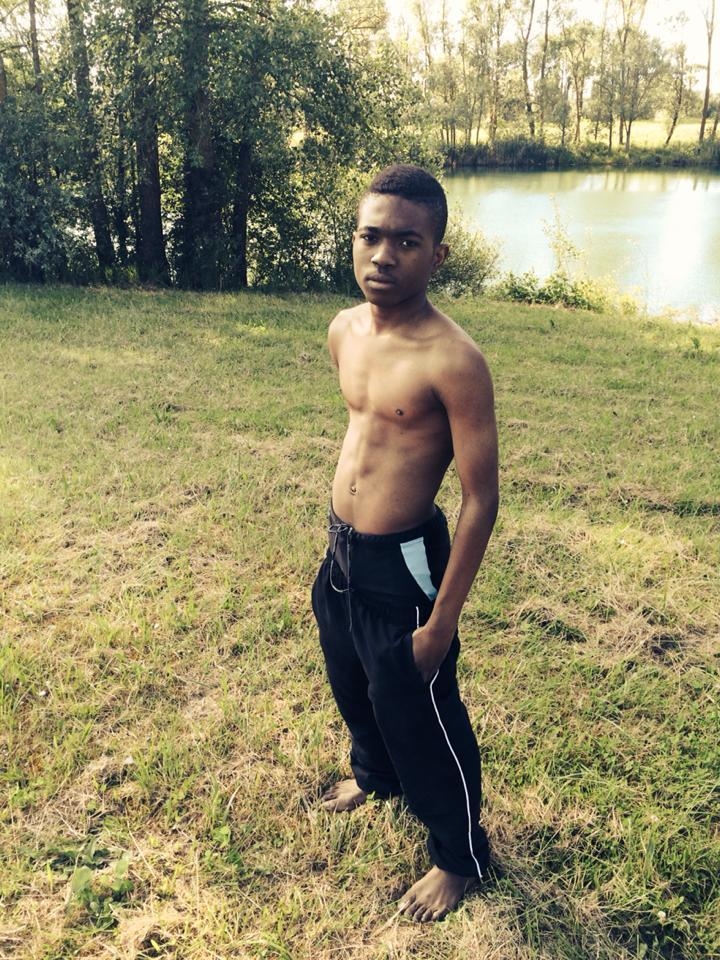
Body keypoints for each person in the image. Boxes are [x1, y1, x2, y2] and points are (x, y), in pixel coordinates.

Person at [311, 164, 499, 923]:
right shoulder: (343, 330)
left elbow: (481, 499)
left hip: (405, 564)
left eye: (407, 242)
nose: (383, 255)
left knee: (420, 711)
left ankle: (460, 856)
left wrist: (441, 623)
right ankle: (375, 775)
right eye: (371, 236)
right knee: (354, 684)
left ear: (437, 255)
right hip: (341, 552)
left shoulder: (454, 360)